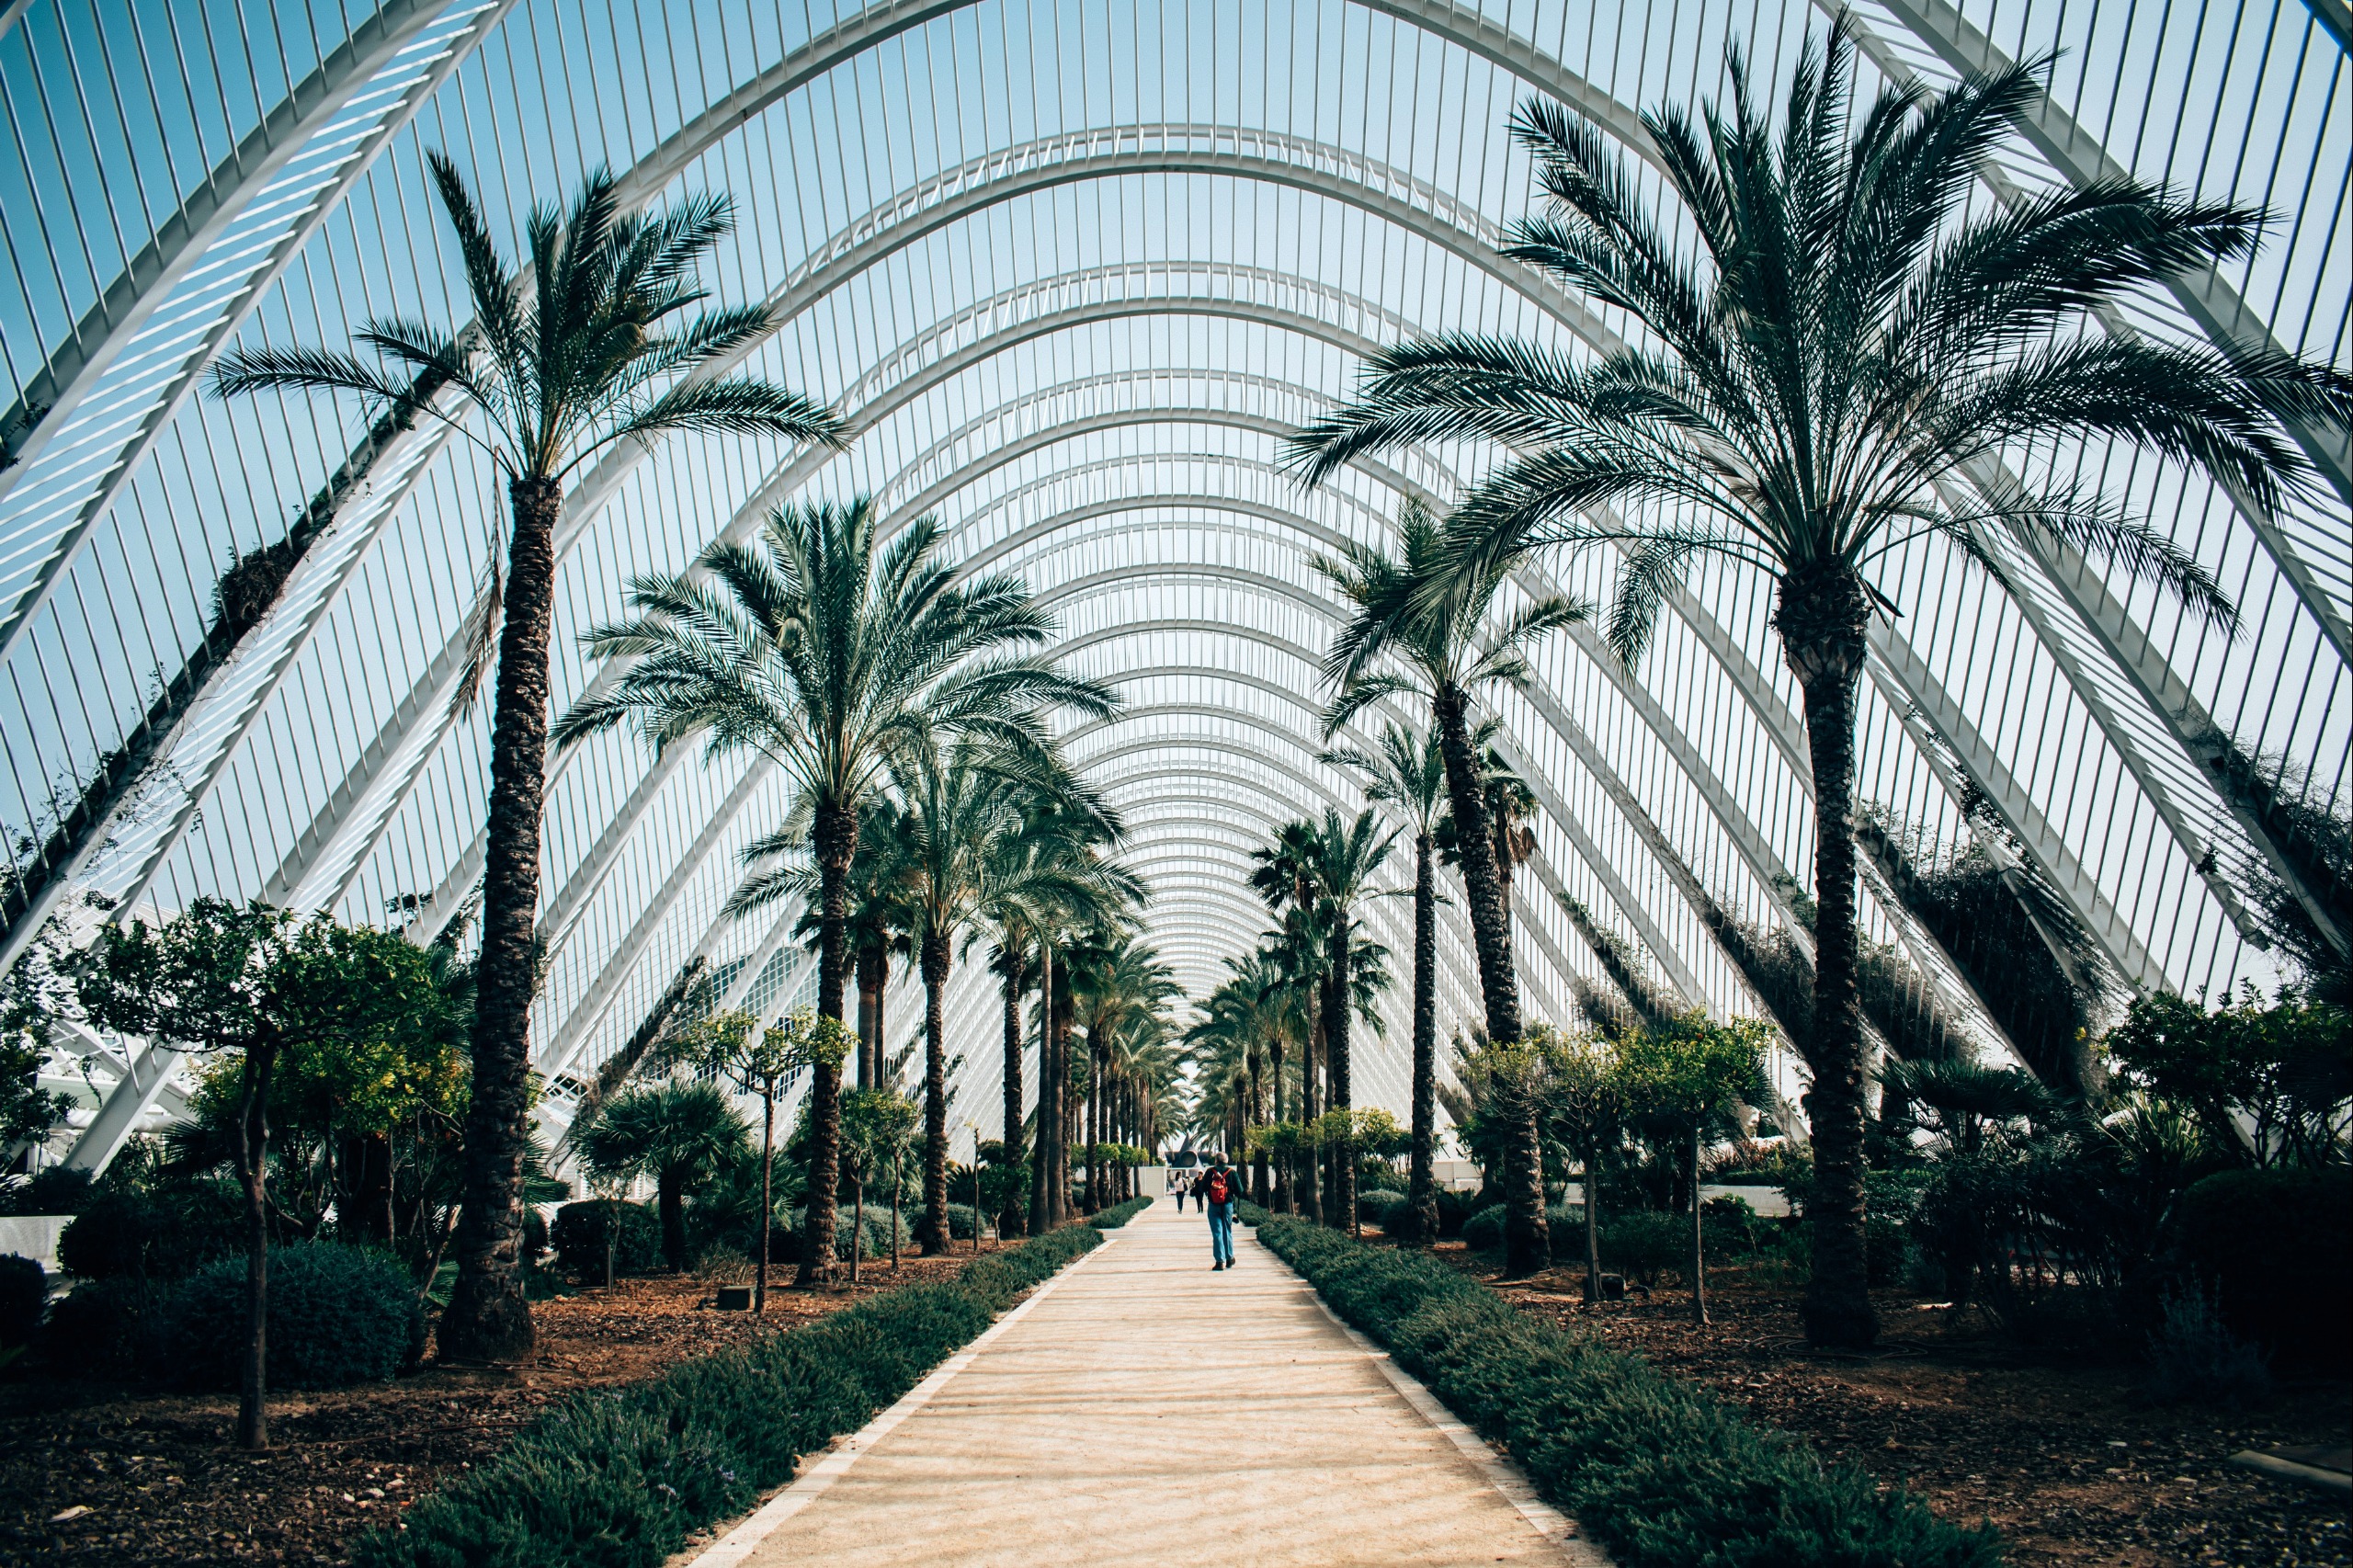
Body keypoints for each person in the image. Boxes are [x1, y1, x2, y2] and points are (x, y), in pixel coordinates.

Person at [1200, 1153, 1239, 1270]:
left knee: (1217, 1232)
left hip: (1213, 1205)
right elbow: (1240, 1190)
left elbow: (1202, 1188)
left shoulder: (1209, 1172)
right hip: (1227, 1205)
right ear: (1227, 1161)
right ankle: (1229, 1258)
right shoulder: (1232, 1172)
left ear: (1216, 1161)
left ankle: (1219, 1262)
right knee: (1227, 1230)